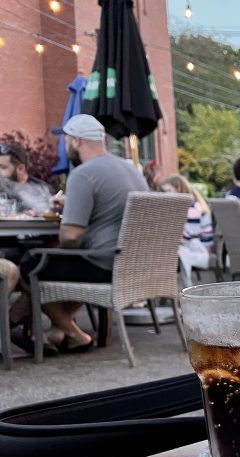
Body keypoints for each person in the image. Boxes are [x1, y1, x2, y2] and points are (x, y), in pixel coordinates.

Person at [12, 114, 149, 353]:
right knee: (55, 264)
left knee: (30, 265)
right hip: (138, 265)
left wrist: (64, 241)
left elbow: (71, 237)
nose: (64, 147)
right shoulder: (130, 169)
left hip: (106, 265)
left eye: (65, 141)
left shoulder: (84, 174)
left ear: (76, 141)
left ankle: (75, 334)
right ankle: (53, 330)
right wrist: (73, 205)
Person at [160, 174, 214, 286]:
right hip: (190, 243)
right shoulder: (188, 206)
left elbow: (191, 233)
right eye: (164, 191)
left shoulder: (192, 208)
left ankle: (175, 284)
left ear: (179, 189)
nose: (166, 194)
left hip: (199, 247)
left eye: (169, 190)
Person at [0, 142, 53, 215]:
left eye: (2, 167)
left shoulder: (43, 190)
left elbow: (51, 215)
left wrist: (39, 213)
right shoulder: (2, 188)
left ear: (20, 169)